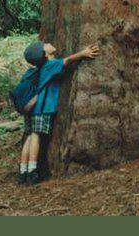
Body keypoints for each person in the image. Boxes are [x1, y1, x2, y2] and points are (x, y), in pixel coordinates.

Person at [18, 41, 99, 185]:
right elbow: (67, 60)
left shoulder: (37, 68)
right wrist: (83, 53)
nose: (48, 43)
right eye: (45, 45)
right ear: (45, 54)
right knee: (36, 137)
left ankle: (23, 171)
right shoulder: (50, 64)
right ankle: (32, 171)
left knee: (30, 137)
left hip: (30, 108)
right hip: (41, 107)